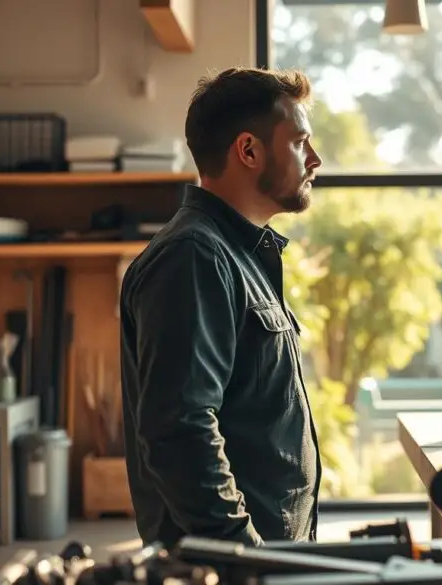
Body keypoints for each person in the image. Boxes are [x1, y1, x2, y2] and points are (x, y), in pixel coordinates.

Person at [119, 67, 324, 548]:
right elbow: (180, 431)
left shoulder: (236, 255)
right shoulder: (195, 257)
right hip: (234, 567)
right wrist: (244, 555)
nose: (314, 159)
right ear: (249, 150)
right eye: (299, 142)